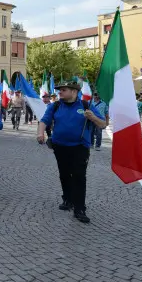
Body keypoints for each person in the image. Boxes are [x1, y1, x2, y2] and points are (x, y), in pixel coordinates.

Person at [37, 81, 107, 223]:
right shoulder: (55, 106)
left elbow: (103, 124)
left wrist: (92, 117)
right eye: (59, 90)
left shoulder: (86, 105)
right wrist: (40, 133)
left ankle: (79, 208)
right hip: (59, 146)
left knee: (79, 176)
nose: (60, 92)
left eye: (63, 90)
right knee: (64, 174)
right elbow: (44, 121)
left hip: (80, 147)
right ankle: (67, 199)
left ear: (74, 92)